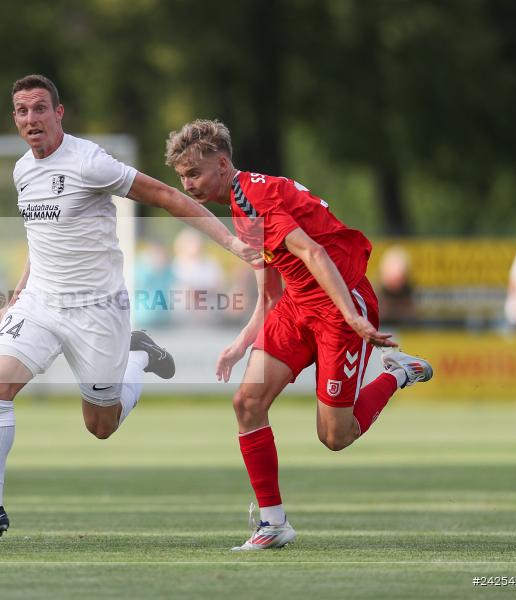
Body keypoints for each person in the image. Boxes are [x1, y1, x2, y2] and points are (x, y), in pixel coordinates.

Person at [0, 75, 257, 544]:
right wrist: (16, 296)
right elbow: (41, 241)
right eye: (22, 111)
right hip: (42, 304)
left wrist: (232, 241)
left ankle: (138, 355)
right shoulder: (21, 171)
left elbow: (168, 196)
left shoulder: (90, 162)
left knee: (101, 426)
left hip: (98, 311)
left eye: (40, 109)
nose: (32, 119)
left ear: (58, 113)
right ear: (15, 118)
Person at [164, 119, 433, 551]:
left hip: (337, 306)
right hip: (297, 307)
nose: (189, 184)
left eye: (194, 174)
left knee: (335, 436)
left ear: (222, 163)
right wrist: (242, 342)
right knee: (247, 402)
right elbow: (271, 288)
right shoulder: (239, 202)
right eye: (182, 178)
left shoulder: (255, 196)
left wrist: (353, 316)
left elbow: (314, 251)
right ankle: (273, 523)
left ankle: (398, 374)